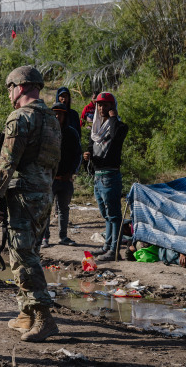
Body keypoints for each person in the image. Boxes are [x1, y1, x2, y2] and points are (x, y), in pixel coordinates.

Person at [0, 66, 61, 342]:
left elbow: (7, 161)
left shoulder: (21, 117)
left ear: (19, 87)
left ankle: (44, 318)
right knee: (28, 251)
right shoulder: (52, 119)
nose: (9, 94)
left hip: (23, 195)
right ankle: (26, 315)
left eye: (9, 88)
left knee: (22, 254)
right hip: (44, 193)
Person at [84, 92, 129, 261]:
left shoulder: (119, 127)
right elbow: (92, 149)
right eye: (99, 105)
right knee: (106, 214)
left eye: (106, 105)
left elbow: (117, 136)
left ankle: (113, 250)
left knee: (114, 215)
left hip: (110, 176)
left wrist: (114, 118)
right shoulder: (95, 130)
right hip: (98, 176)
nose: (102, 108)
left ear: (112, 107)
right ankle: (107, 246)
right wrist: (87, 157)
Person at [41, 103, 82, 248]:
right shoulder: (45, 132)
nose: (58, 116)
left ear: (65, 116)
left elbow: (78, 155)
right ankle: (45, 238)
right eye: (55, 113)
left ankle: (63, 237)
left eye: (61, 114)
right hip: (49, 179)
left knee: (64, 209)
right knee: (46, 209)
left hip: (66, 179)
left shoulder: (72, 133)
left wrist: (71, 173)